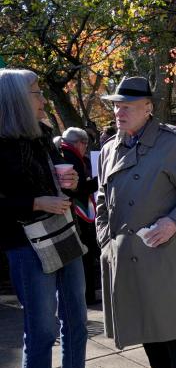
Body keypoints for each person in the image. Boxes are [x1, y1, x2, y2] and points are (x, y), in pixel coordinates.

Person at [0, 68, 114, 368]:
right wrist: (36, 200)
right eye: (35, 91)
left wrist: (69, 181)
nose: (43, 98)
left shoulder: (42, 135)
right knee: (42, 328)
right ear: (16, 98)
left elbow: (60, 183)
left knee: (77, 316)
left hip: (61, 233)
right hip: (26, 244)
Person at [97, 76, 176, 368]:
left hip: (166, 246)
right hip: (127, 249)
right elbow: (102, 198)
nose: (119, 111)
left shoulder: (171, 144)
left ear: (147, 109)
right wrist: (105, 238)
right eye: (116, 105)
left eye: (127, 106)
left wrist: (174, 222)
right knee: (146, 314)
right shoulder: (109, 148)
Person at [59, 127, 101, 305]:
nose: (86, 147)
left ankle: (87, 293)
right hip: (77, 211)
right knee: (85, 253)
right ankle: (87, 294)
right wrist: (99, 181)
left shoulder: (64, 154)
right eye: (85, 143)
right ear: (79, 143)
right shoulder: (70, 157)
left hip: (76, 210)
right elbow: (78, 187)